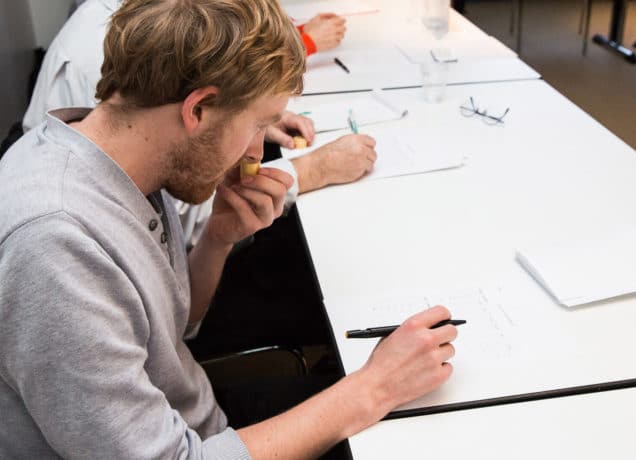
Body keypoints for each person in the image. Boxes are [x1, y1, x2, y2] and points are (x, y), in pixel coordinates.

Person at [0, 0, 458, 458]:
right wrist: (373, 389)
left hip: (196, 417)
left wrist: (218, 238)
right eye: (258, 125)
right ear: (197, 108)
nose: (256, 152)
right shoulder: (55, 244)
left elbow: (173, 325)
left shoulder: (122, 155)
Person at [22, 0, 369, 248]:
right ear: (200, 108)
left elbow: (178, 319)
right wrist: (311, 170)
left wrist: (249, 112)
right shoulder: (64, 242)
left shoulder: (145, 20)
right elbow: (188, 217)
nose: (256, 152)